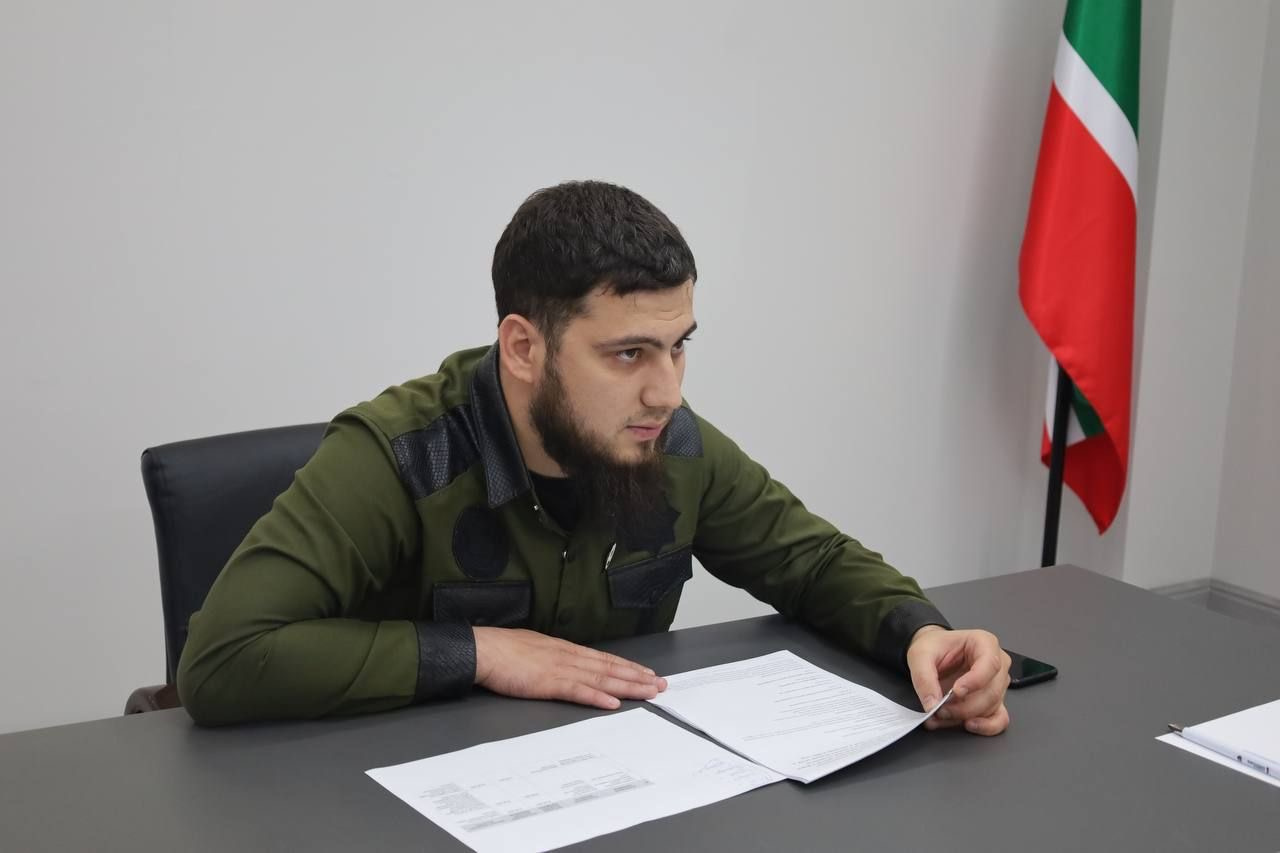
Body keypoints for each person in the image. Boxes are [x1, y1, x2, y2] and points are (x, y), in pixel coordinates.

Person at [177, 180, 1011, 734]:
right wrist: (482, 650)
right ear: (523, 347)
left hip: (615, 791)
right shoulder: (397, 455)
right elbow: (222, 659)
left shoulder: (668, 441)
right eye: (628, 354)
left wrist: (924, 633)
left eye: (679, 347)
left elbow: (813, 562)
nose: (667, 392)